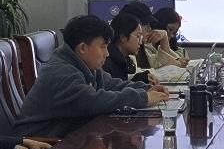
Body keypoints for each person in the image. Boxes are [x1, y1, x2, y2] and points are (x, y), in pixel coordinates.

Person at [14, 15, 170, 138]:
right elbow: (94, 101)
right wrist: (143, 97)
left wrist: (146, 88)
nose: (107, 54)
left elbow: (111, 85)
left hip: (65, 141)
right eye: (103, 47)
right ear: (83, 48)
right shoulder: (62, 73)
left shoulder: (83, 64)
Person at [102, 12, 164, 87]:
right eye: (138, 36)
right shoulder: (107, 63)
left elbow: (120, 86)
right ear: (123, 37)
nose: (140, 42)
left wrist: (143, 78)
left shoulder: (122, 60)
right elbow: (114, 91)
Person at [120, 2, 188, 69]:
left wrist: (164, 38)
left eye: (175, 32)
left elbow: (156, 62)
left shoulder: (141, 48)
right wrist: (172, 64)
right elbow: (139, 73)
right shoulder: (123, 53)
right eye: (145, 24)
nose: (149, 29)